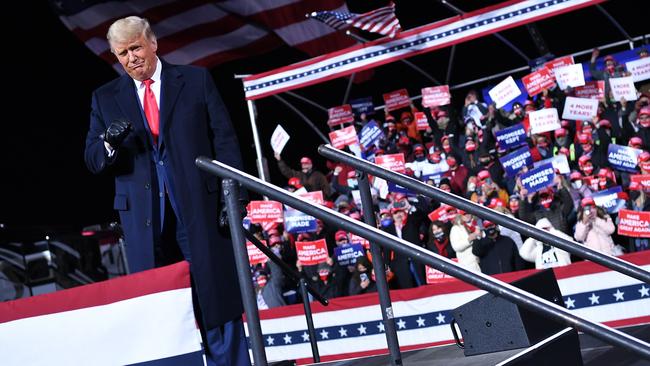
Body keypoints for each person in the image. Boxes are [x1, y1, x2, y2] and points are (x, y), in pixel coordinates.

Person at [83, 16, 249, 366]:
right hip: (145, 223)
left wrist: (233, 197)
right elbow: (93, 160)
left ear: (153, 43)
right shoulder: (105, 98)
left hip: (200, 212)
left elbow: (225, 141)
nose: (131, 58)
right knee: (163, 311)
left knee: (216, 300)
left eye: (136, 48)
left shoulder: (195, 79)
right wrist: (109, 141)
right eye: (122, 53)